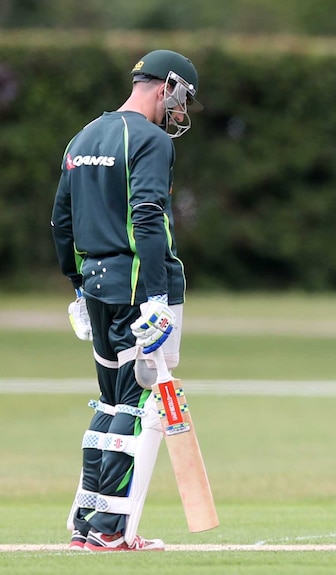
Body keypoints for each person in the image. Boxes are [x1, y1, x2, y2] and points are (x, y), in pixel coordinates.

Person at [51, 49, 202, 552]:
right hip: (141, 288)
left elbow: (62, 219)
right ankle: (110, 529)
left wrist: (75, 284)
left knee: (110, 398)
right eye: (183, 98)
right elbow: (147, 215)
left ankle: (86, 520)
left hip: (96, 287)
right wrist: (157, 297)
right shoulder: (151, 139)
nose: (181, 111)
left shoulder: (84, 135)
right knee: (138, 403)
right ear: (167, 87)